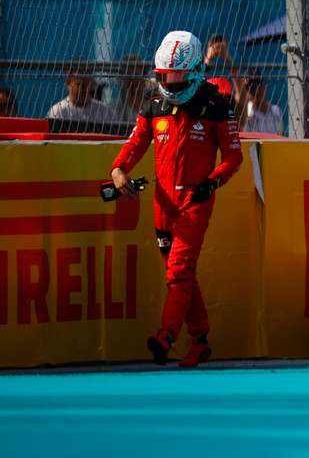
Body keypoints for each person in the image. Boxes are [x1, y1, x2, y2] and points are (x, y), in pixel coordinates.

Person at [108, 31, 242, 368]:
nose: (170, 82)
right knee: (179, 274)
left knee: (179, 271)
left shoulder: (217, 106)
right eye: (165, 76)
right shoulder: (154, 106)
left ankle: (165, 337)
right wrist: (118, 170)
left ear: (195, 71)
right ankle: (200, 340)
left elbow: (233, 157)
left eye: (177, 76)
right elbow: (135, 143)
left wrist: (212, 183)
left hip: (195, 202)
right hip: (162, 204)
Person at [47, 63, 118, 126]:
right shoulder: (59, 111)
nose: (83, 89)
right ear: (69, 84)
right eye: (79, 84)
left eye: (87, 84)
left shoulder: (105, 111)